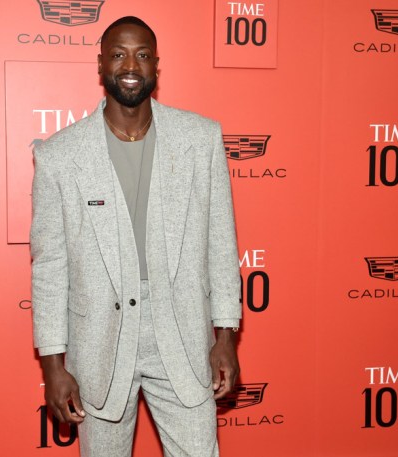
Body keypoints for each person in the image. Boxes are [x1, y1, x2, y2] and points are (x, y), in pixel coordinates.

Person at [30, 16, 241, 457]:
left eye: (143, 55)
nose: (131, 64)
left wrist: (225, 337)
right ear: (102, 64)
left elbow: (221, 244)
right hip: (100, 344)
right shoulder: (59, 156)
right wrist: (54, 366)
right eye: (120, 54)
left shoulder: (201, 139)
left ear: (156, 67)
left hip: (182, 333)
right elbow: (50, 268)